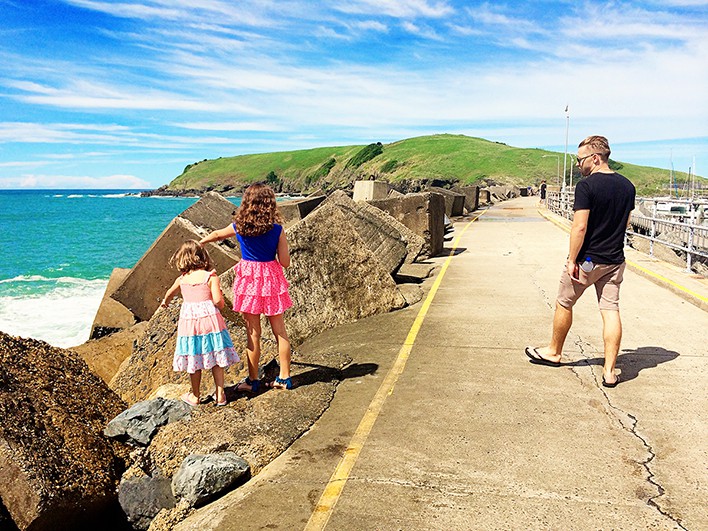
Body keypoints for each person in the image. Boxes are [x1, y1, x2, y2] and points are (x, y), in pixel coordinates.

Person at [525, 135, 635, 387]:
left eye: (580, 159)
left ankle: (554, 352)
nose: (577, 165)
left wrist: (571, 259)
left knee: (564, 302)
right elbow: (626, 223)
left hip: (587, 260)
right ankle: (609, 371)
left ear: (595, 158)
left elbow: (580, 227)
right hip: (615, 260)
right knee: (610, 310)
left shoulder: (586, 186)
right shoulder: (628, 186)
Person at [200, 182, 293, 392]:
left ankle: (252, 381)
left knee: (253, 333)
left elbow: (217, 235)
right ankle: (284, 378)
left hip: (249, 280)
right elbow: (285, 262)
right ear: (270, 204)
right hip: (271, 278)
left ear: (247, 203)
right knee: (280, 331)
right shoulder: (277, 229)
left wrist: (201, 243)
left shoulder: (239, 227)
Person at [161, 240, 240, 406]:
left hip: (190, 324)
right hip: (210, 321)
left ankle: (195, 396)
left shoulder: (182, 279)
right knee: (216, 355)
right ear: (203, 257)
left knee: (194, 357)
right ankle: (220, 395)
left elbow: (169, 293)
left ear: (182, 259)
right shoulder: (210, 276)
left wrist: (165, 303)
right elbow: (218, 300)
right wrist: (220, 305)